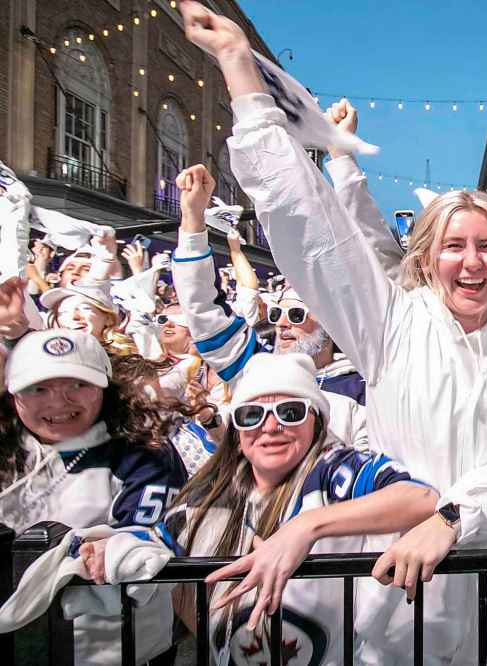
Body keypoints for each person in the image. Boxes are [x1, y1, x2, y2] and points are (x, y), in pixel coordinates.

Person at [178, 4, 487, 663]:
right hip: (391, 610)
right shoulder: (391, 323)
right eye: (453, 247)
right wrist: (242, 75)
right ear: (425, 258)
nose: (471, 263)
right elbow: (307, 226)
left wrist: (453, 519)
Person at [80, 352, 437, 665]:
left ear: (316, 421)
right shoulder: (211, 492)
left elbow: (419, 498)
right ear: (236, 428)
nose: (271, 426)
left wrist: (305, 527)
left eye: (290, 412)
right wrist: (109, 548)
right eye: (252, 414)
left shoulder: (332, 470)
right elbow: (163, 552)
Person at [0, 323, 188, 663]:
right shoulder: (8, 450)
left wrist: (111, 548)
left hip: (118, 648)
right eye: (38, 388)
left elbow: (154, 538)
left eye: (78, 384)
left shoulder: (143, 450)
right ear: (14, 396)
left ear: (105, 388)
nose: (59, 401)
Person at [170, 165, 367, 450]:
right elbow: (202, 309)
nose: (282, 323)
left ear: (332, 322)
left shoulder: (363, 384)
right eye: (276, 313)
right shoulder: (257, 366)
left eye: (296, 314)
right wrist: (192, 219)